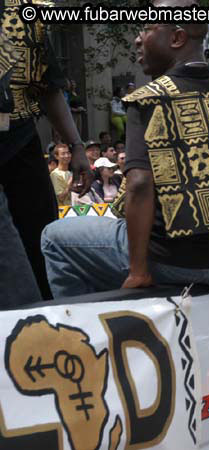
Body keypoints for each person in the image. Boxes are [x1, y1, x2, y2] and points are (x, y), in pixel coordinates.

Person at [41, 4, 209, 296]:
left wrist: (138, 271)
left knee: (54, 237)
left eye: (146, 28)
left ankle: (84, 334)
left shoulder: (149, 99)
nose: (137, 39)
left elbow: (140, 184)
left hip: (171, 261)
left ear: (176, 38)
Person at [0, 0, 92, 302]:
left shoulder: (27, 13)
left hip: (20, 146)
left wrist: (76, 145)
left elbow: (49, 86)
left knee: (38, 250)